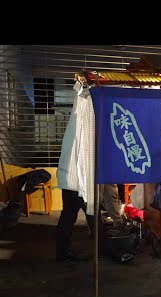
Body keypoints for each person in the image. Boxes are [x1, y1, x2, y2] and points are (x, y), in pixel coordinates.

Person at [56, 74, 98, 262]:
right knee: (92, 217)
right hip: (81, 179)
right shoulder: (88, 111)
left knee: (68, 216)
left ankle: (62, 252)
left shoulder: (74, 121)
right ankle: (103, 249)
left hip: (70, 178)